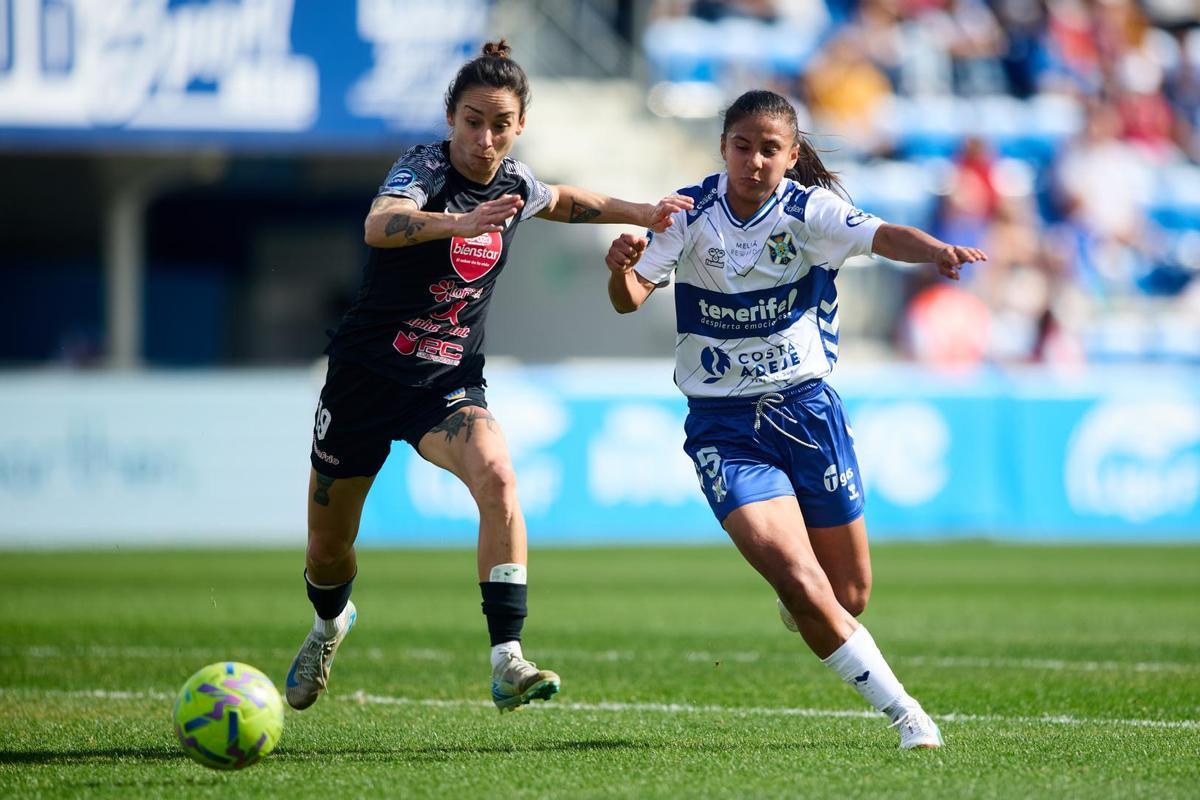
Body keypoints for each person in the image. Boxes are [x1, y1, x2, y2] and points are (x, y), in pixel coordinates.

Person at [288, 40, 693, 714]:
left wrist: (644, 212)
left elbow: (565, 200)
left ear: (520, 126)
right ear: (451, 119)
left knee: (500, 477)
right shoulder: (421, 169)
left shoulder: (516, 183)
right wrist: (459, 221)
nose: (485, 137)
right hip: (362, 379)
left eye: (500, 124)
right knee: (329, 549)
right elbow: (378, 225)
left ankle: (507, 659)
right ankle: (330, 625)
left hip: (444, 384)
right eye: (473, 121)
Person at [603, 89, 986, 749]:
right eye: (742, 146)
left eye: (769, 149)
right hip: (724, 427)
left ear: (791, 155)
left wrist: (934, 251)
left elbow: (881, 234)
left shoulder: (811, 211)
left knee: (850, 594)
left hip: (806, 413)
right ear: (724, 148)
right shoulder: (688, 215)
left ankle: (806, 602)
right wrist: (623, 268)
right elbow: (630, 298)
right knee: (802, 579)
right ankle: (907, 717)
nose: (754, 160)